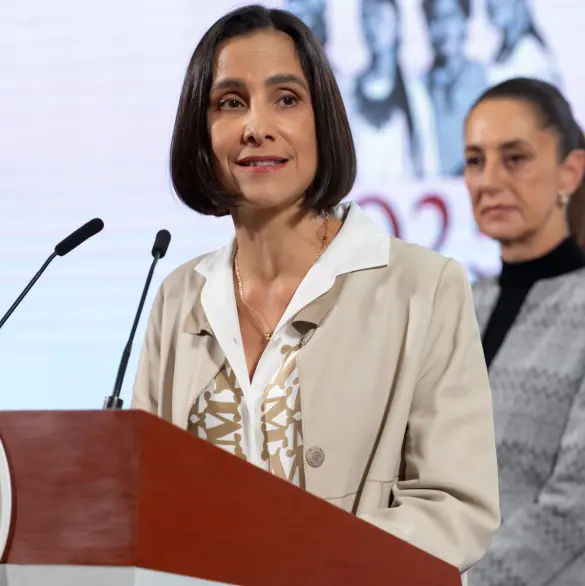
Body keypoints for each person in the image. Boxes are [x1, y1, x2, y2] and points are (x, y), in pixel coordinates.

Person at [131, 4, 499, 576]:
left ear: (322, 120)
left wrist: (301, 556)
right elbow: (146, 499)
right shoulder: (179, 297)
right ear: (201, 134)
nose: (257, 126)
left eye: (285, 98)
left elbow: (455, 508)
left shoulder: (425, 288)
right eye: (230, 102)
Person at [464, 77, 585, 585]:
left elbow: (575, 504)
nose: (489, 179)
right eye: (475, 160)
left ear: (569, 171)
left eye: (514, 158)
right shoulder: (455, 306)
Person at [348, 0, 438, 180]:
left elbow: (429, 165)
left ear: (397, 24)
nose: (373, 26)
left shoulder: (415, 95)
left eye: (380, 18)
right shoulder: (346, 91)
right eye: (366, 18)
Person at [421, 0, 487, 176]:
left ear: (465, 21)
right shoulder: (417, 87)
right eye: (435, 19)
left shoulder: (486, 80)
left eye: (450, 17)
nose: (443, 29)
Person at [486, 0, 561, 86]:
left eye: (499, 8)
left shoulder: (530, 54)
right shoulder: (504, 52)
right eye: (492, 9)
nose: (495, 18)